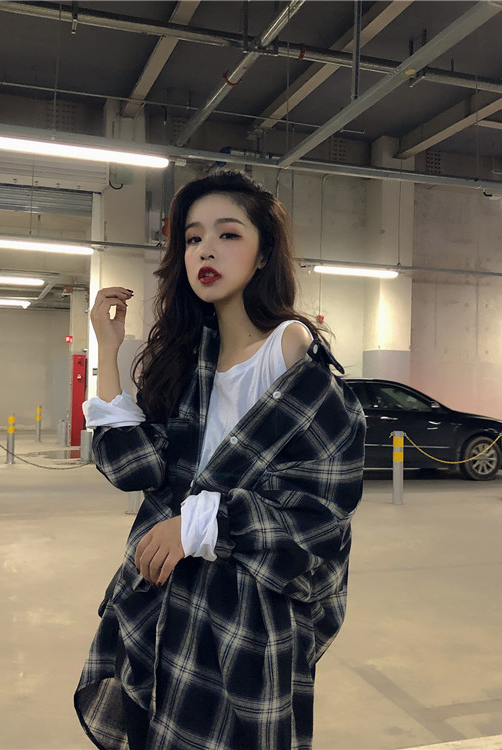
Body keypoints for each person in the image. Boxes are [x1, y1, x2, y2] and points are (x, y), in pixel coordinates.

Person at [74, 169, 366, 750]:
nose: (205, 249)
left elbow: (324, 505)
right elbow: (134, 467)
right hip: (167, 600)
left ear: (263, 255)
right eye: (192, 238)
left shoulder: (287, 346)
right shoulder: (191, 361)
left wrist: (201, 523)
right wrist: (108, 348)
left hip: (246, 615)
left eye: (228, 234)